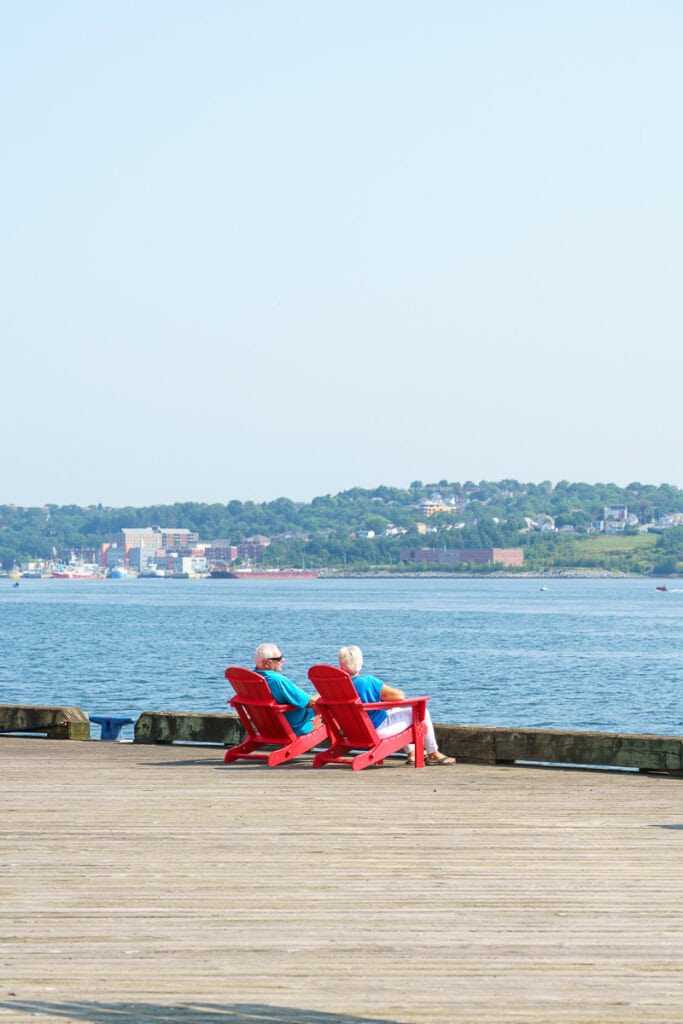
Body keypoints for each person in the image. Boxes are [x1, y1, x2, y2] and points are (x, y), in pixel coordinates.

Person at [337, 645, 455, 765]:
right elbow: (399, 696)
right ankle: (433, 753)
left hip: (354, 732)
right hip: (376, 730)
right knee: (422, 712)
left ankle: (412, 753)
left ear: (341, 664)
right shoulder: (367, 681)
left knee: (397, 709)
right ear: (360, 662)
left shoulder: (338, 685)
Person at [254, 642, 321, 735]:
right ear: (266, 663)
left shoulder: (251, 678)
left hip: (267, 727)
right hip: (295, 727)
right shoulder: (277, 680)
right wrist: (325, 694)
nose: (283, 660)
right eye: (279, 658)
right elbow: (310, 702)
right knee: (331, 707)